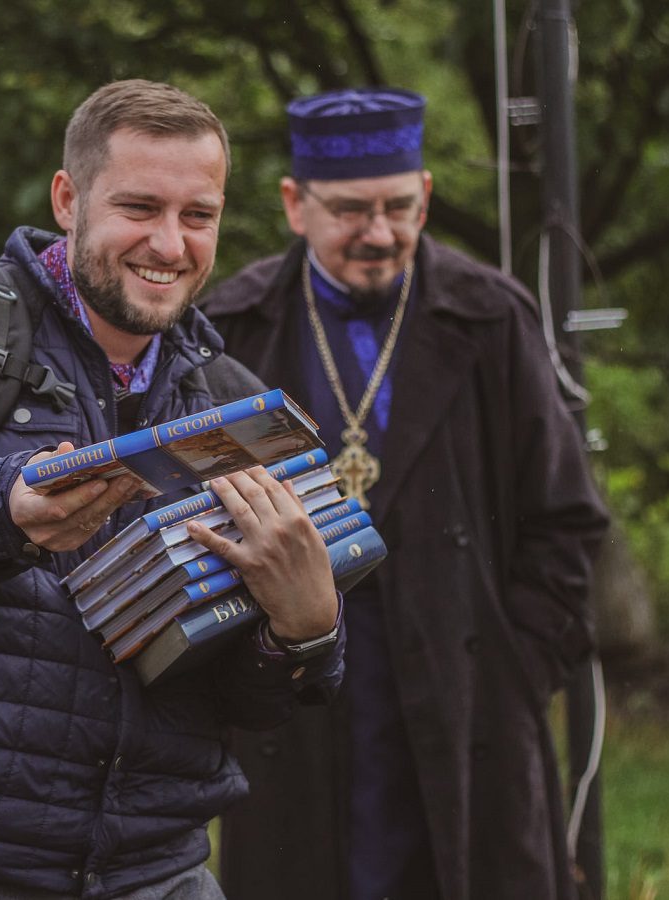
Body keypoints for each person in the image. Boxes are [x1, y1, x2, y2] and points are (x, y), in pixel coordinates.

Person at [0, 79, 346, 900]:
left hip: (157, 871)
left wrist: (304, 629)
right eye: (139, 207)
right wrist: (0, 506)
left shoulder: (232, 401)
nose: (171, 244)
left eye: (198, 216)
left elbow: (243, 703)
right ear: (69, 199)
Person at [198, 88, 610, 900]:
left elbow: (567, 522)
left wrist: (515, 669)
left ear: (424, 196)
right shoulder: (237, 324)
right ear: (295, 205)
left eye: (398, 207)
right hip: (298, 699)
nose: (379, 234)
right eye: (350, 211)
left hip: (468, 698)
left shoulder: (491, 317)